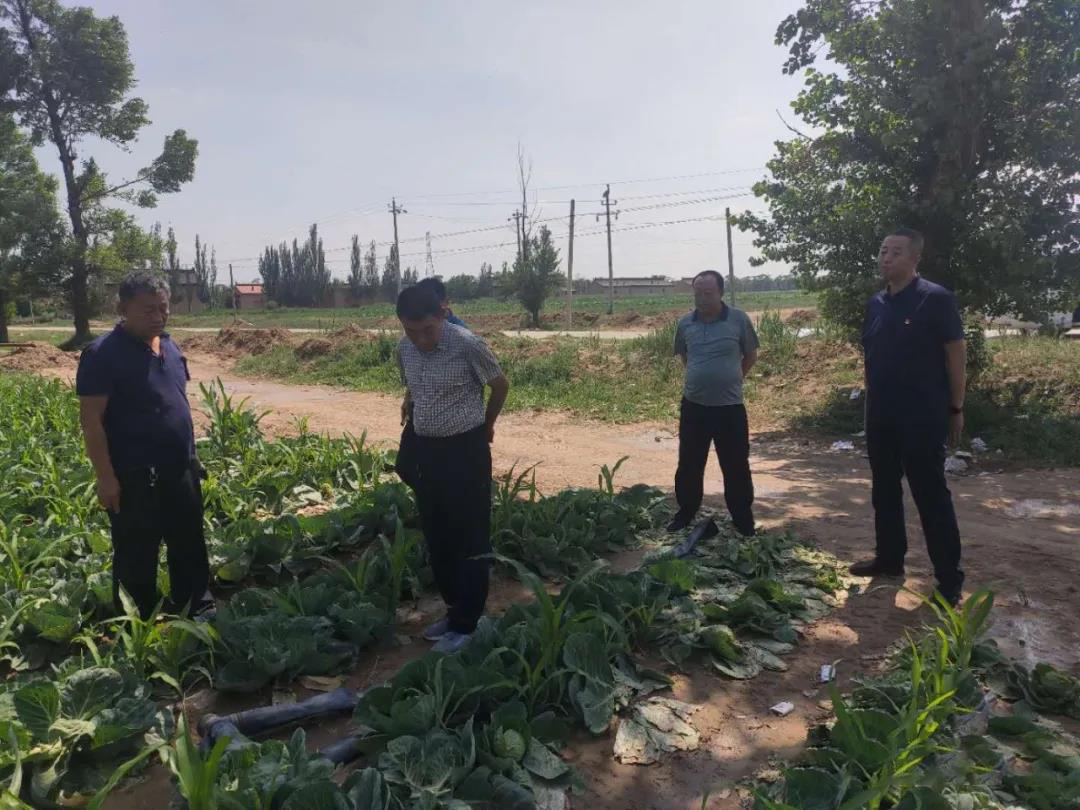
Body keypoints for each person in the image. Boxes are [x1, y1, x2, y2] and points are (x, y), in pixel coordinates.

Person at [76, 272, 212, 620]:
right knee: (137, 551)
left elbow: (176, 403)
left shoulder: (169, 346)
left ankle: (195, 606)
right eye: (148, 309)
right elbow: (92, 421)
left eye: (163, 308)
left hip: (180, 468)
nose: (158, 316)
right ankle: (138, 621)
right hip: (136, 475)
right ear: (122, 309)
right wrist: (105, 477)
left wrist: (192, 456)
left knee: (189, 542)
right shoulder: (102, 354)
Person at [852, 227, 966, 606]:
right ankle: (889, 560)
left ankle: (948, 580)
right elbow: (871, 358)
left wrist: (956, 408)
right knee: (884, 490)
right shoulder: (876, 303)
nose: (886, 258)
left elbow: (956, 355)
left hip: (922, 415)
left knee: (930, 495)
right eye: (883, 251)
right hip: (881, 415)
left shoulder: (935, 299)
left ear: (915, 257)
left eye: (896, 252)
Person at [395, 284, 509, 653]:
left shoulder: (467, 345)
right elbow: (413, 385)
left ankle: (468, 623)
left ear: (442, 315)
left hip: (465, 450)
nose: (420, 339)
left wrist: (487, 425)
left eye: (427, 330)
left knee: (470, 535)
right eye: (411, 330)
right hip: (427, 451)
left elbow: (499, 385)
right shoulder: (404, 348)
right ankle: (453, 609)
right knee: (437, 533)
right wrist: (410, 403)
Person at [669, 270, 759, 536]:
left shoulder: (738, 320)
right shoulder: (685, 323)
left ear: (720, 293)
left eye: (708, 293)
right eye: (698, 293)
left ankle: (742, 519)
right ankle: (686, 512)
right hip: (694, 406)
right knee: (689, 463)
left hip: (729, 409)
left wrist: (731, 379)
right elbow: (686, 357)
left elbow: (750, 355)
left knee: (736, 465)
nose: (702, 298)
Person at [395, 278, 467, 490]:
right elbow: (418, 370)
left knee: (446, 471)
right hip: (422, 408)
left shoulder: (461, 334)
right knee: (405, 465)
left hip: (450, 415)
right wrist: (408, 398)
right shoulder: (418, 331)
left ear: (444, 303)